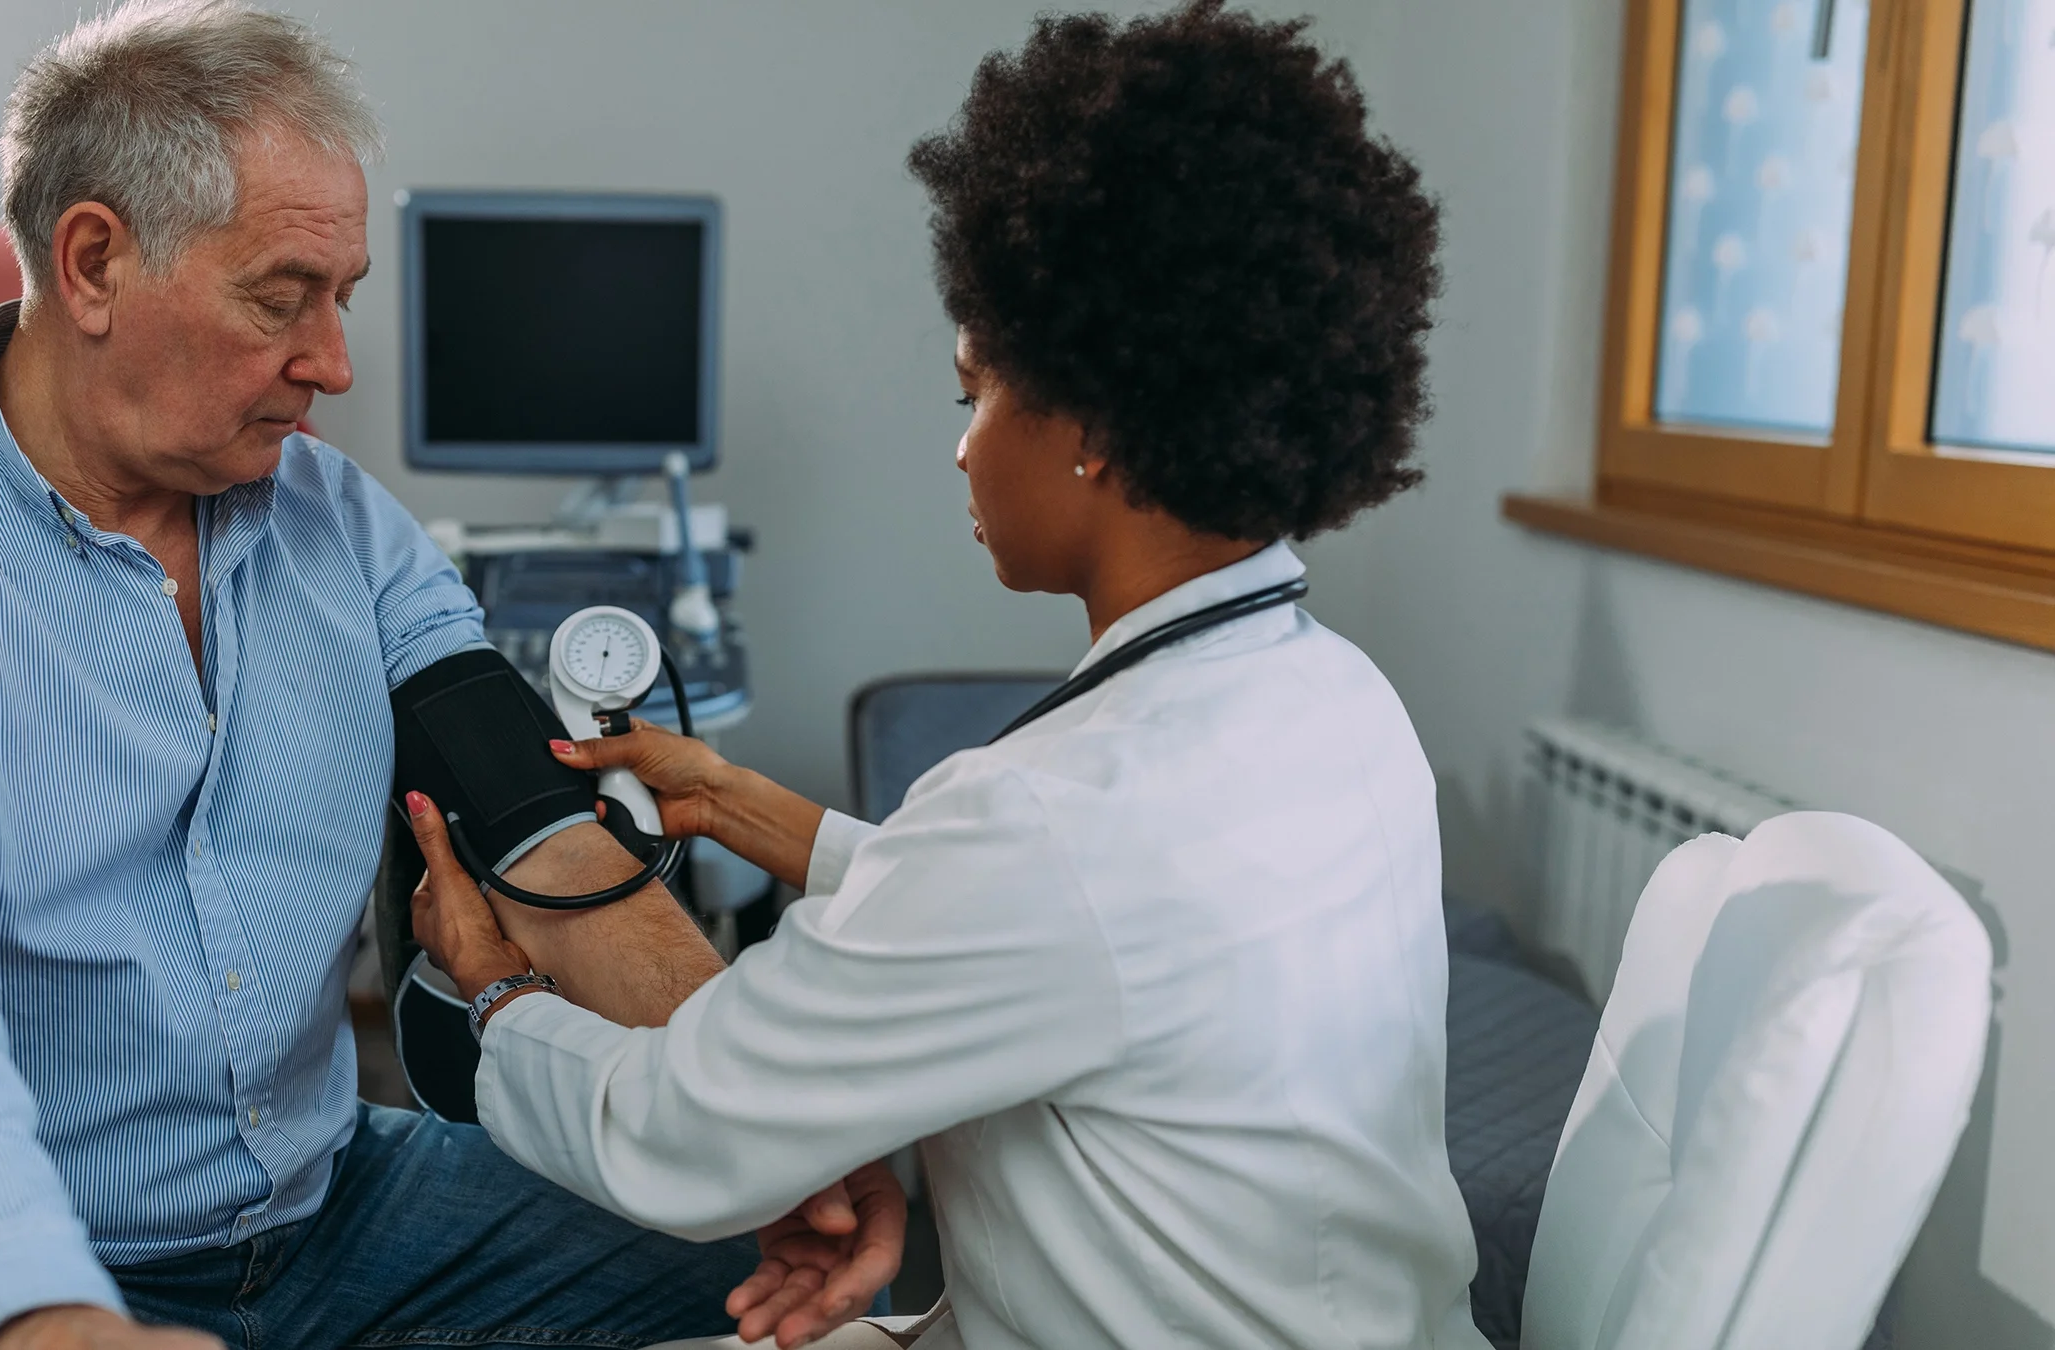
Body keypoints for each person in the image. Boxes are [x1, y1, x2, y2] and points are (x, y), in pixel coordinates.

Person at [0, 4, 890, 1348]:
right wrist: (32, 1312)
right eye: (283, 296)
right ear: (91, 262)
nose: (333, 362)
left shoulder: (345, 531)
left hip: (319, 1215)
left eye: (344, 296)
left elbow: (548, 847)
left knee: (776, 1264)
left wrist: (786, 1125)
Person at [401, 5, 1489, 1349]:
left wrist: (491, 993)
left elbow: (677, 1135)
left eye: (973, 389)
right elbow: (1087, 936)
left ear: (1088, 421)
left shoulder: (1053, 816)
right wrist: (745, 805)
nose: (962, 449)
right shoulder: (1338, 701)